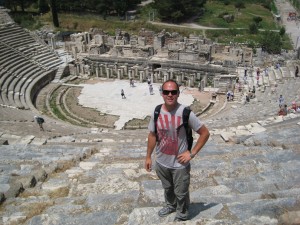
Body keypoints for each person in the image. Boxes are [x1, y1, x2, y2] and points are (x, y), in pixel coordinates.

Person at [145, 79, 210, 222]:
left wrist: (191, 153)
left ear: (178, 94)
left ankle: (182, 213)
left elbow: (205, 133)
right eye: (166, 92)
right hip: (162, 162)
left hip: (180, 164)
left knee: (181, 192)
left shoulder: (186, 113)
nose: (170, 95)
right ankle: (170, 206)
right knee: (167, 188)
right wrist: (148, 156)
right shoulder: (156, 112)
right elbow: (152, 135)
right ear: (162, 94)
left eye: (173, 92)